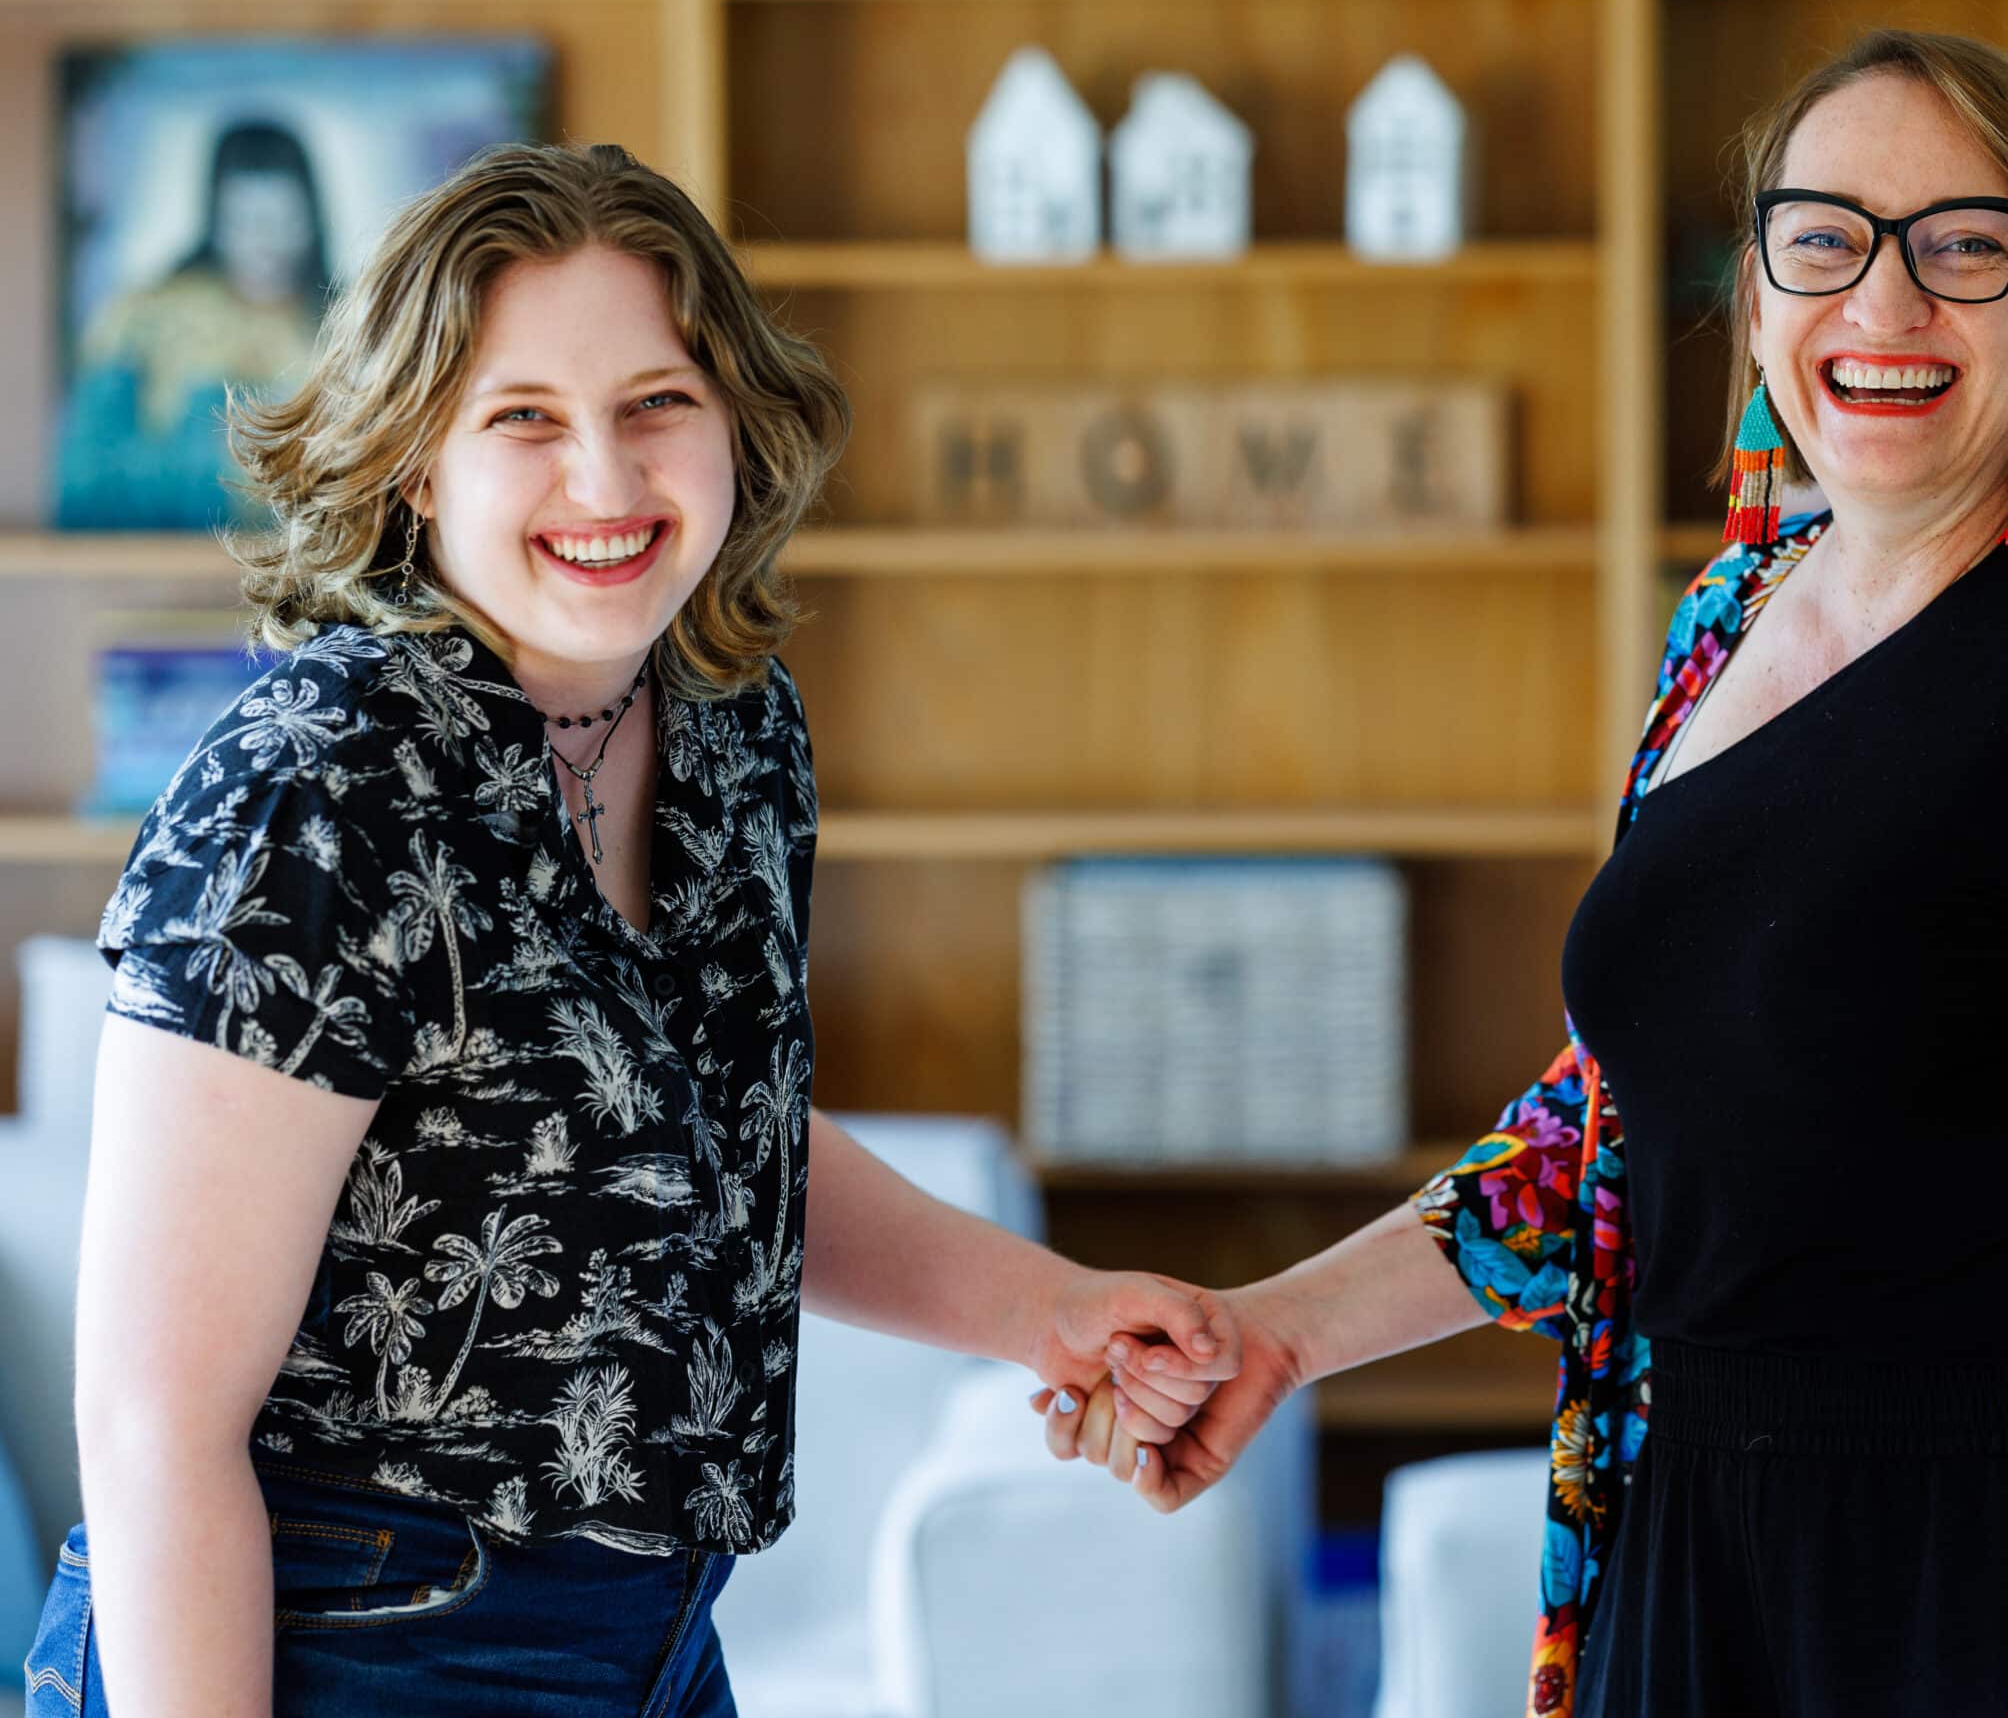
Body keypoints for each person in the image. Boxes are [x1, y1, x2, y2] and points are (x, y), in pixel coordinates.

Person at [1055, 30, 2008, 1717]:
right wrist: (1276, 1332)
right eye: (1824, 241)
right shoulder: (1723, 624)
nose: (1884, 308)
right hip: (1696, 1555)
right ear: (1758, 305)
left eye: (1961, 246)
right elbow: (1618, 1131)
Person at [22, 141, 1235, 1715]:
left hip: (650, 1643)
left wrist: (1042, 1311)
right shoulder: (318, 787)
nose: (606, 482)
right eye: (523, 420)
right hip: (339, 1642)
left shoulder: (734, 731)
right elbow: (151, 1424)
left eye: (657, 403)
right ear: (413, 463)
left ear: (736, 422)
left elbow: (713, 1138)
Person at [55, 118, 333, 531]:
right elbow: (89, 478)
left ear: (312, 218)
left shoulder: (347, 322)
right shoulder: (144, 320)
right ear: (215, 219)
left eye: (285, 219)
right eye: (245, 220)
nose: (266, 241)